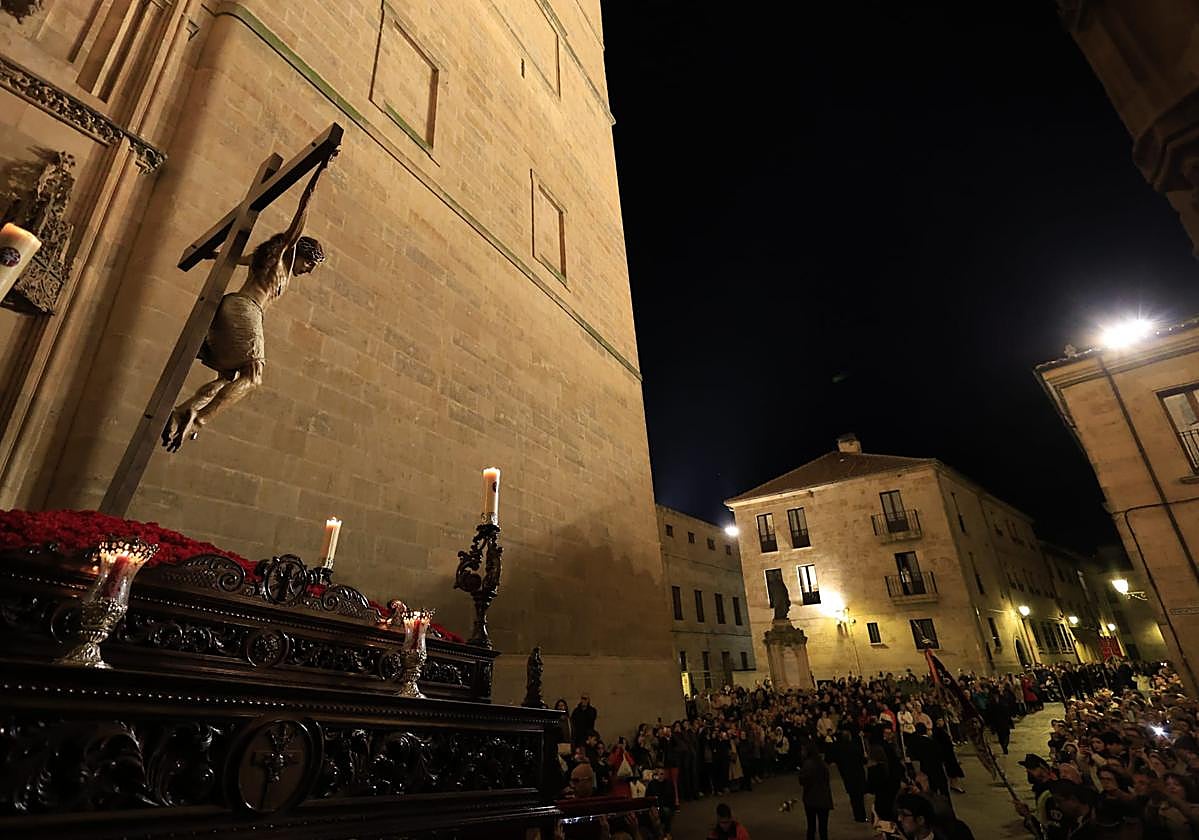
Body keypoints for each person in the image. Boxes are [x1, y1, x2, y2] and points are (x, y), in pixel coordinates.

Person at [163, 155, 331, 451]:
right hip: (244, 309)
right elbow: (301, 214)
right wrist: (318, 172)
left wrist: (209, 254)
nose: (308, 271)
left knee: (229, 376)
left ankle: (184, 409)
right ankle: (199, 420)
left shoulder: (264, 262)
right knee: (254, 375)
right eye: (309, 264)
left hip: (235, 311)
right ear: (298, 252)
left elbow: (230, 257)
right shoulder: (280, 257)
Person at [831, 728, 869, 822]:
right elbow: (863, 761)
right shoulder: (855, 747)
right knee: (859, 797)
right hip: (858, 775)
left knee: (853, 797)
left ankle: (857, 815)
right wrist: (865, 756)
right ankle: (862, 816)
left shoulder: (839, 750)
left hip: (847, 776)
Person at [798, 743, 834, 840]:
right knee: (823, 828)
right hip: (824, 798)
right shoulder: (822, 764)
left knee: (811, 826)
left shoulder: (807, 765)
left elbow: (802, 781)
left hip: (811, 798)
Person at [933, 718, 966, 794]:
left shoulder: (942, 730)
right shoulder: (937, 732)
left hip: (949, 752)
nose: (942, 722)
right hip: (946, 753)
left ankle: (953, 784)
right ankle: (954, 785)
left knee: (952, 769)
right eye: (940, 721)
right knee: (952, 769)